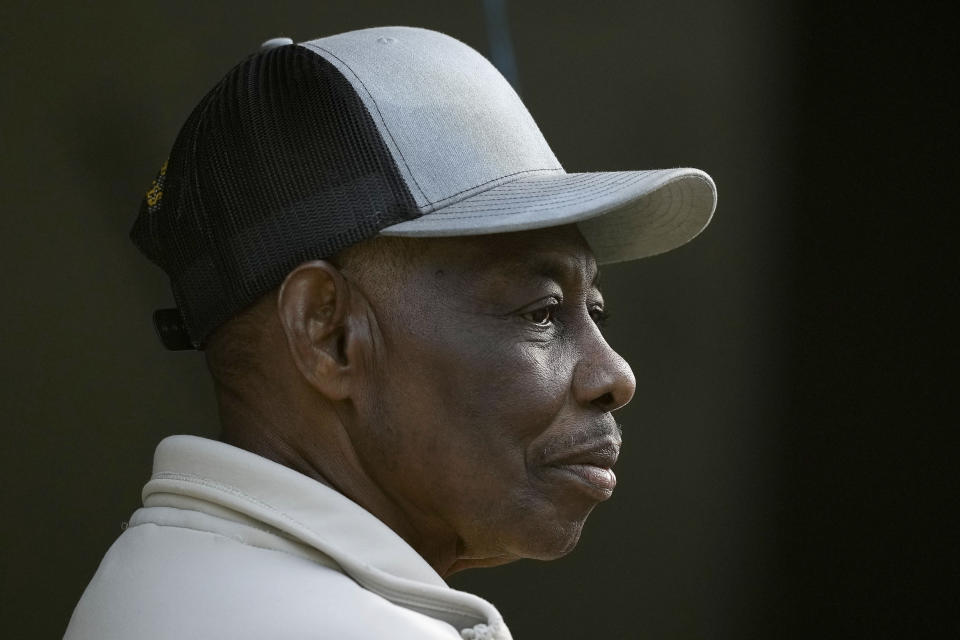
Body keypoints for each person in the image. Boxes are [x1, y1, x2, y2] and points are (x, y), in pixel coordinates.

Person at [64, 26, 716, 640]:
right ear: (329, 334)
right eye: (541, 312)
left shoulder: (164, 581)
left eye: (593, 312)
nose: (615, 376)